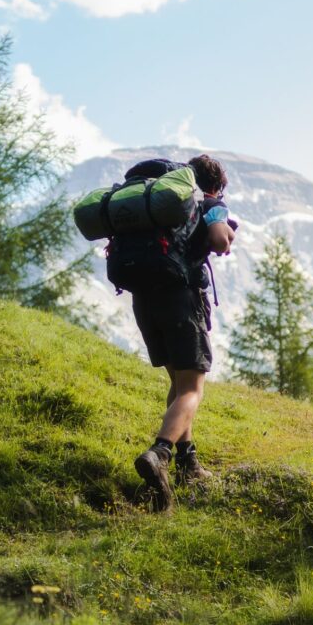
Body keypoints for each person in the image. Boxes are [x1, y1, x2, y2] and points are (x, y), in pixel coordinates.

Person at [131, 154, 236, 511]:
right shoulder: (208, 203)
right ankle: (159, 452)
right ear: (216, 185)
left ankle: (187, 462)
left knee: (177, 385)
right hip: (180, 299)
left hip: (144, 301)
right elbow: (221, 241)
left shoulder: (158, 205)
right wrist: (224, 230)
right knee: (193, 389)